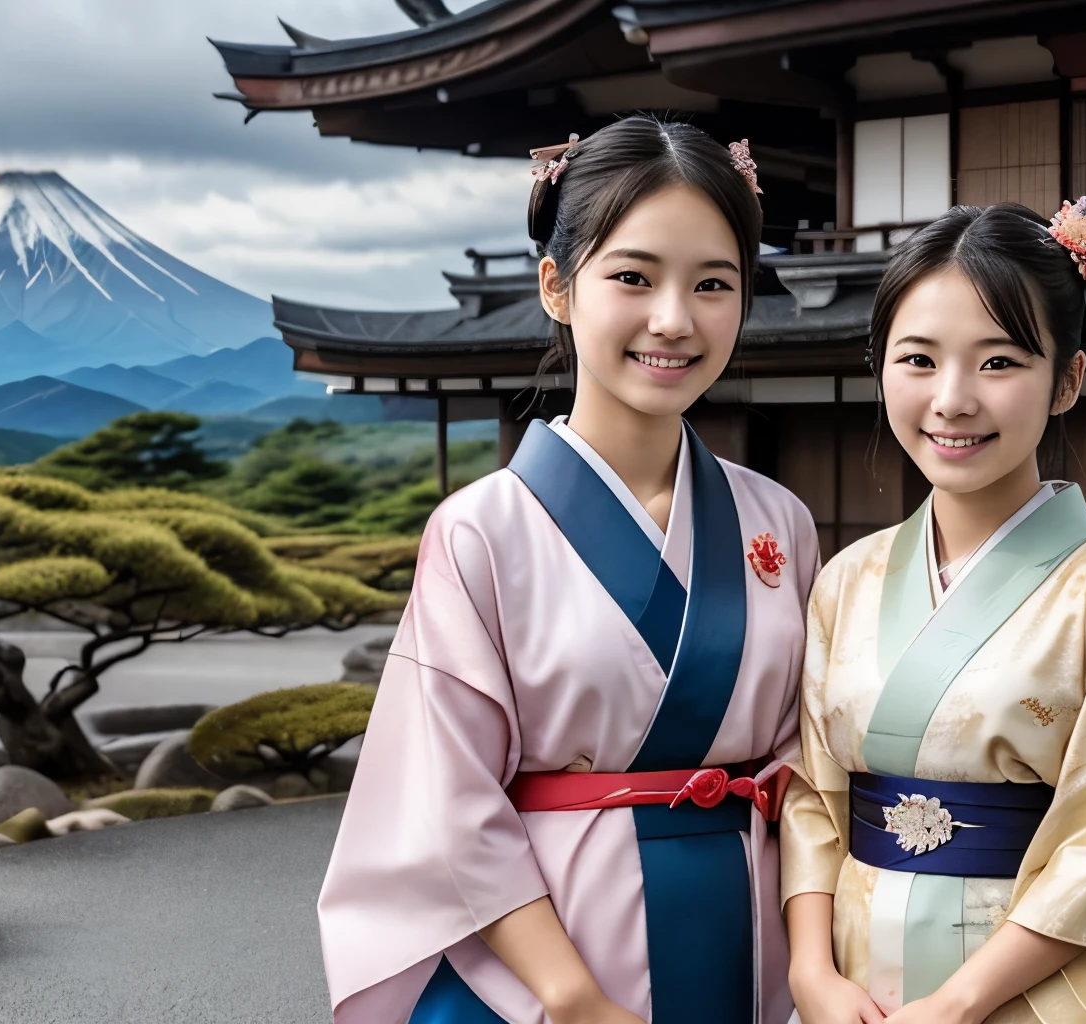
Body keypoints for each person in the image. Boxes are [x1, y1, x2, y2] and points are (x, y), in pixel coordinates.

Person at [317, 115, 818, 1024]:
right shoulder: (482, 531)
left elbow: (809, 758)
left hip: (753, 941)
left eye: (714, 283)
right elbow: (449, 800)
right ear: (557, 286)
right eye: (633, 277)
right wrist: (576, 1002)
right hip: (559, 962)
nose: (675, 319)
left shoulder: (776, 520)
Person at [780, 199, 1086, 1024]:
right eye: (917, 359)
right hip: (855, 978)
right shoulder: (845, 579)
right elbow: (811, 797)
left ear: (1067, 380)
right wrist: (809, 973)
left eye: (999, 362)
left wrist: (961, 1003)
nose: (953, 399)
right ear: (881, 370)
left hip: (1024, 989)